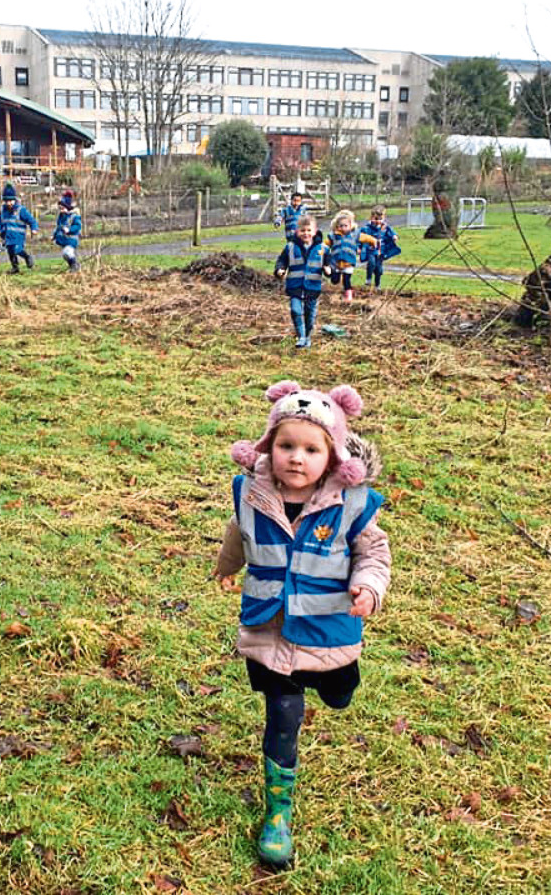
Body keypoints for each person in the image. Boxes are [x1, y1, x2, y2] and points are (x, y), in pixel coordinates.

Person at [215, 380, 391, 869]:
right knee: (283, 713)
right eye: (287, 445)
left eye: (311, 449)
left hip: (329, 630)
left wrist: (369, 587)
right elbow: (239, 532)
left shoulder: (351, 503)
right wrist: (228, 565)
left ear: (332, 457)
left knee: (336, 695)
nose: (297, 457)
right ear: (269, 447)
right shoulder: (251, 491)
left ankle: (335, 688)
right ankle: (278, 811)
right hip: (269, 626)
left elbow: (373, 552)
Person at [273, 214, 332, 349]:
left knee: (310, 314)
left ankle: (308, 336)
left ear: (315, 231)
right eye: (303, 230)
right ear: (297, 231)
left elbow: (329, 264)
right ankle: (301, 336)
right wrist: (280, 270)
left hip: (313, 286)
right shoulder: (290, 247)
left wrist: (329, 270)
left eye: (309, 230)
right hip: (295, 285)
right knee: (295, 310)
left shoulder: (323, 249)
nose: (306, 233)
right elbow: (282, 260)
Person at [325, 209, 377, 303]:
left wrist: (374, 241)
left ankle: (348, 295)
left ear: (350, 226)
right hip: (336, 263)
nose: (343, 228)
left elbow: (367, 238)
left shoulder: (355, 235)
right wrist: (320, 251)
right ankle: (331, 276)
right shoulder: (333, 236)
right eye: (341, 226)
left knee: (346, 280)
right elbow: (325, 245)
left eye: (346, 226)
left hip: (349, 263)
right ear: (337, 226)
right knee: (334, 280)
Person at [0, 182, 38, 274]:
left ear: (14, 200)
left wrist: (34, 229)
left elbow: (31, 220)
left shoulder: (20, 210)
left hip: (18, 237)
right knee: (11, 253)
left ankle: (27, 257)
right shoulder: (3, 211)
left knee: (17, 250)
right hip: (7, 237)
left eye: (11, 201)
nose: (9, 203)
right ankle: (15, 268)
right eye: (6, 201)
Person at [359, 206, 401, 292]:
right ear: (371, 218)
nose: (378, 221)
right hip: (371, 250)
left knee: (379, 269)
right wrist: (359, 247)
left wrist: (394, 236)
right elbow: (360, 237)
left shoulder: (385, 228)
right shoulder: (367, 228)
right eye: (376, 218)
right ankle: (368, 279)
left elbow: (392, 233)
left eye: (380, 219)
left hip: (381, 251)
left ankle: (377, 284)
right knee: (371, 263)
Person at [52, 188, 83, 273]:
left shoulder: (74, 216)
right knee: (65, 255)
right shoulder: (61, 217)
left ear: (68, 208)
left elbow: (77, 226)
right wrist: (54, 235)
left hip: (72, 240)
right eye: (60, 208)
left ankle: (75, 265)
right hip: (64, 240)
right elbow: (59, 227)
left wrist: (69, 230)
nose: (61, 210)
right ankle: (72, 266)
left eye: (62, 208)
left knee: (67, 252)